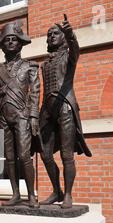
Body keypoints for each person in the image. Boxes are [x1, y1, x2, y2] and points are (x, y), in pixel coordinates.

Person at [39, 15, 92, 209]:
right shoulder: (45, 63)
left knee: (67, 155)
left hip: (65, 107)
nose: (51, 36)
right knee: (44, 154)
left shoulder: (69, 56)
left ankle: (68, 194)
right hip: (47, 111)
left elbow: (76, 50)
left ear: (63, 37)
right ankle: (56, 191)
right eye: (49, 34)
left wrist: (71, 35)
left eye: (55, 33)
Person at [0, 21, 40, 208]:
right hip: (3, 116)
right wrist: (1, 90)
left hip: (22, 115)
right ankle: (16, 194)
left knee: (25, 155)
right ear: (2, 45)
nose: (10, 43)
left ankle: (32, 196)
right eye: (7, 40)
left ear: (20, 43)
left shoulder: (30, 67)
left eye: (14, 39)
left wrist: (34, 116)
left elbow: (35, 92)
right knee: (9, 157)